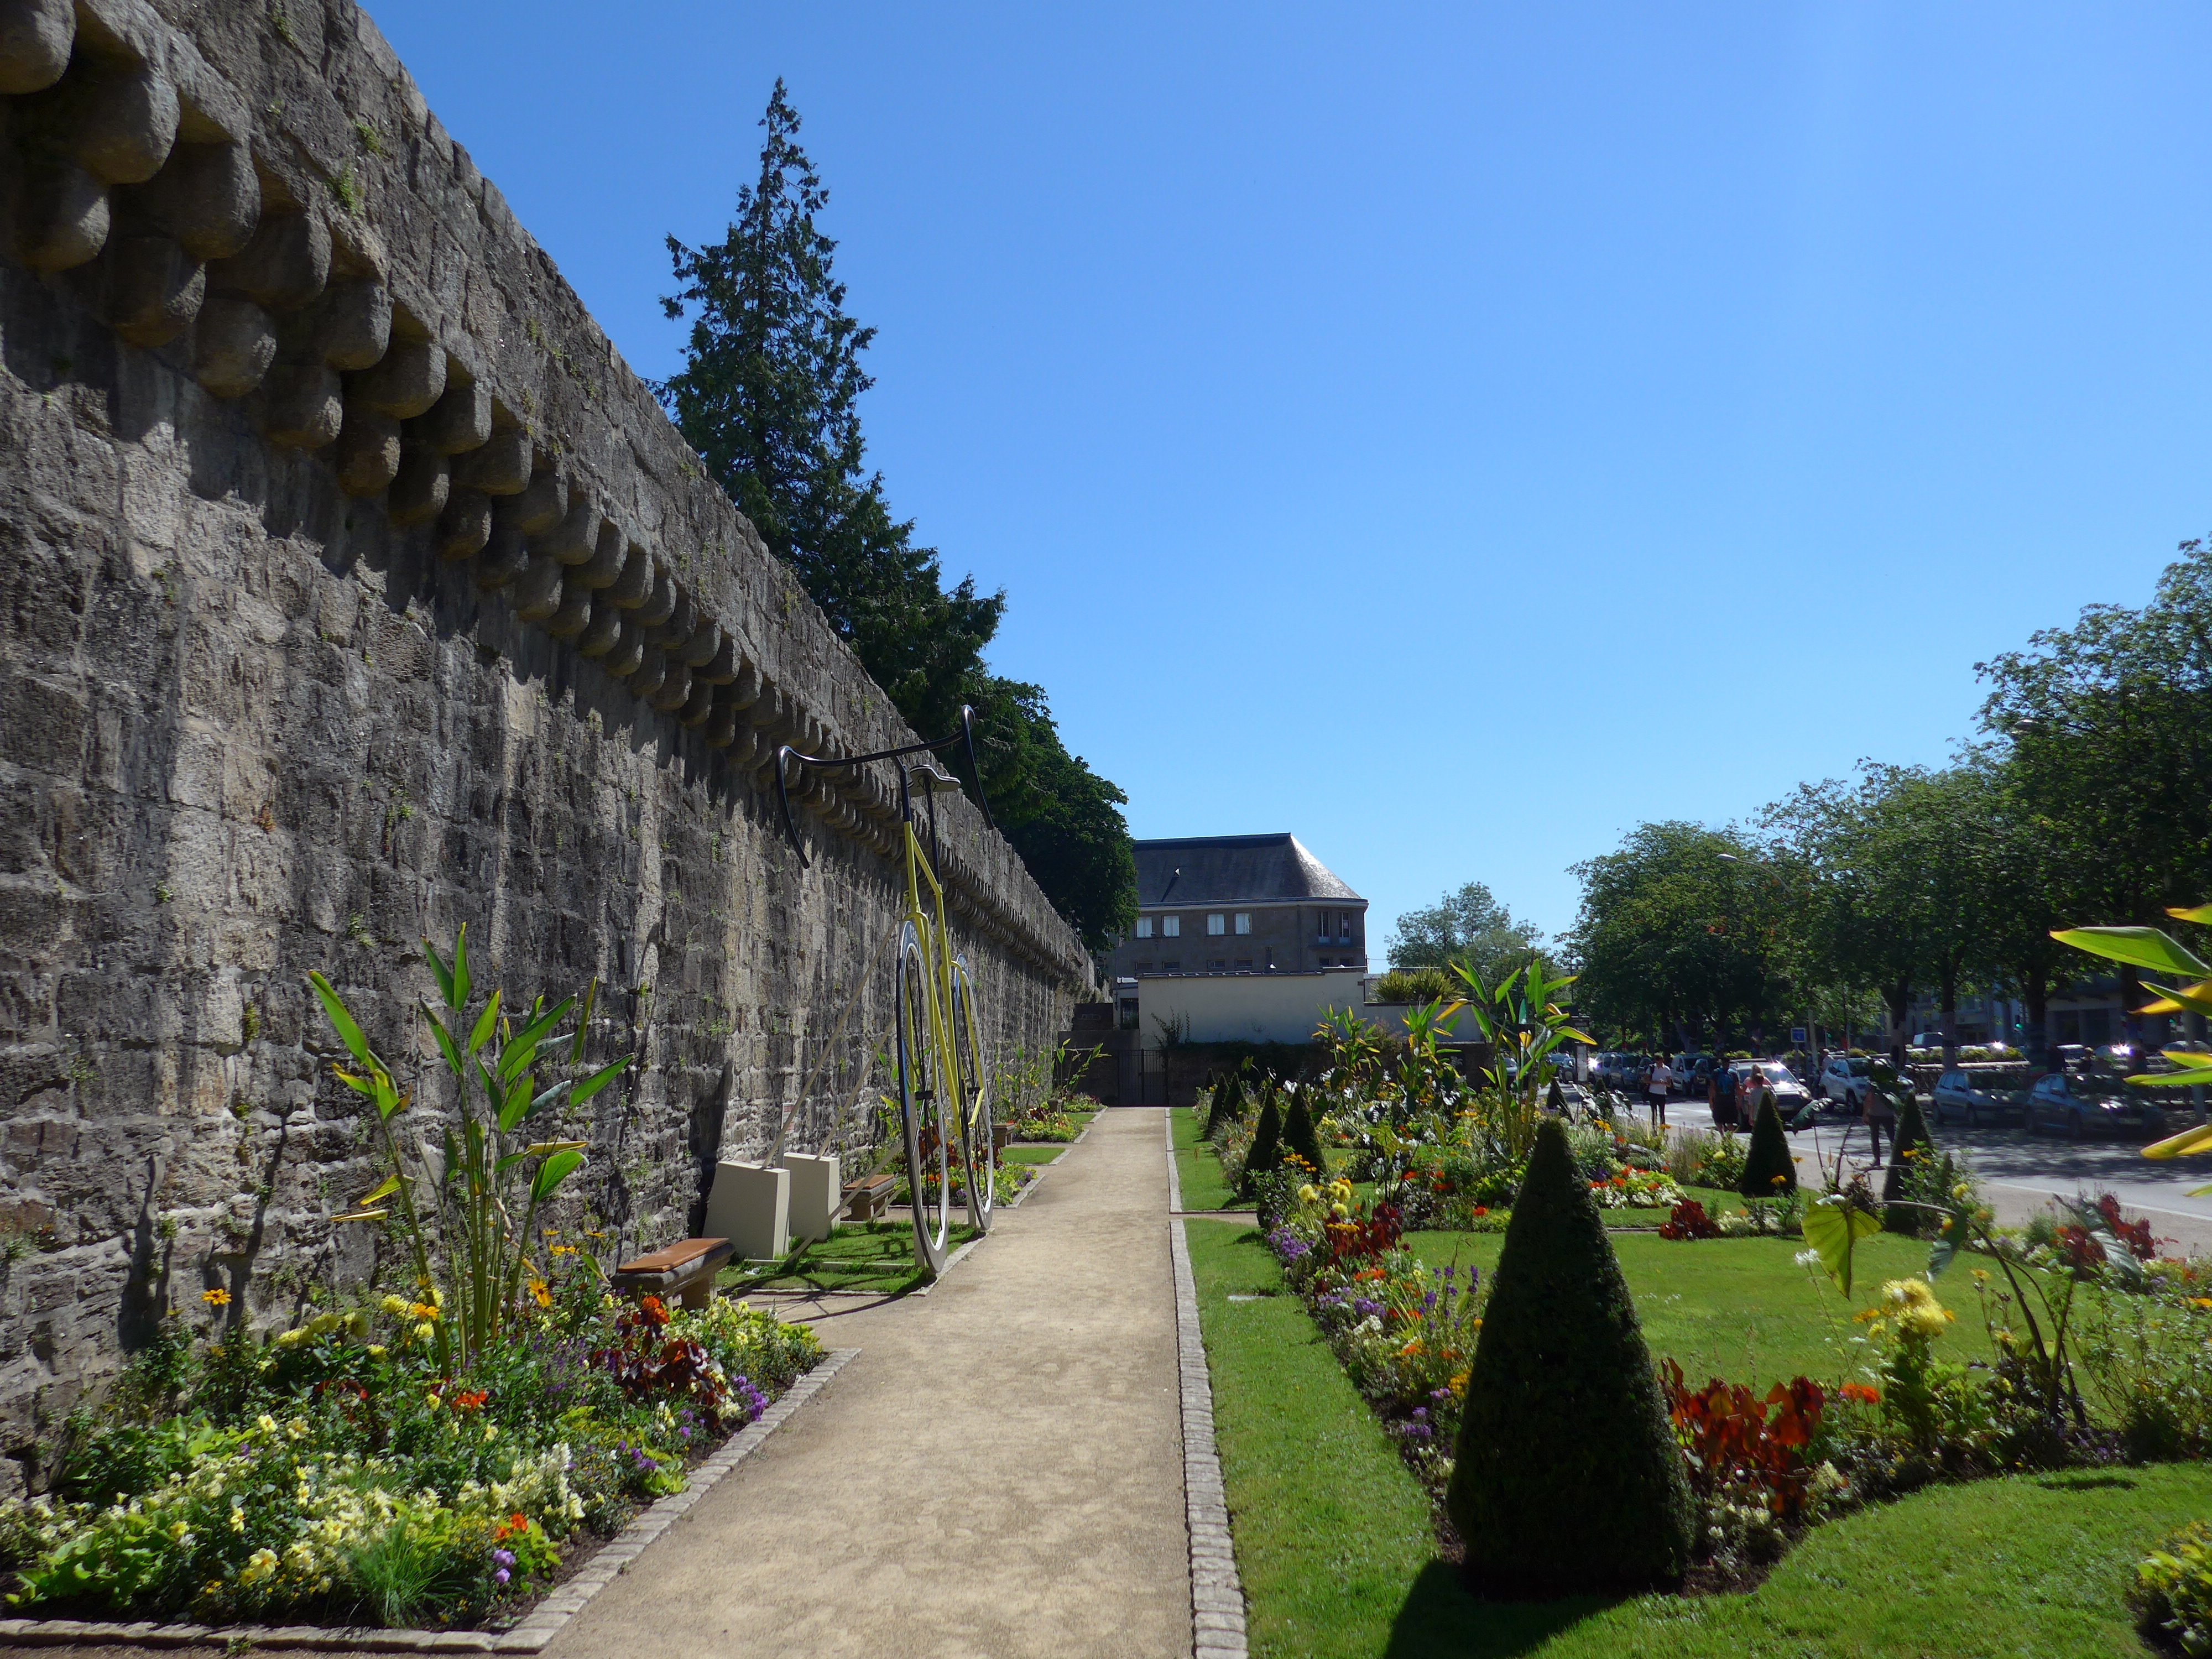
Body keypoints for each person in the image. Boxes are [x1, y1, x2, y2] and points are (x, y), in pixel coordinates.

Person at [1709, 1060, 1739, 1129]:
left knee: (1718, 1120)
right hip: (1730, 1100)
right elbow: (1738, 1088)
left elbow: (1712, 1087)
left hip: (1719, 1100)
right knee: (1730, 1121)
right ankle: (1729, 1137)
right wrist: (1739, 1100)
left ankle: (1723, 1135)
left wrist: (1711, 1100)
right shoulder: (1733, 1074)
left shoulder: (1716, 1073)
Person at [1647, 1056, 1672, 1127]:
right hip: (1653, 1092)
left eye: (1659, 1061)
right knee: (1654, 1112)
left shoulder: (1667, 1069)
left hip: (1662, 1093)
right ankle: (1654, 1127)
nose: (1658, 1063)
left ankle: (1662, 1128)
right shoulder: (1652, 1068)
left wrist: (1663, 1083)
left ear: (1662, 1060)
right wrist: (1654, 1082)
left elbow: (1669, 1084)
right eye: (1657, 1062)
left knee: (1662, 1112)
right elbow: (1646, 1080)